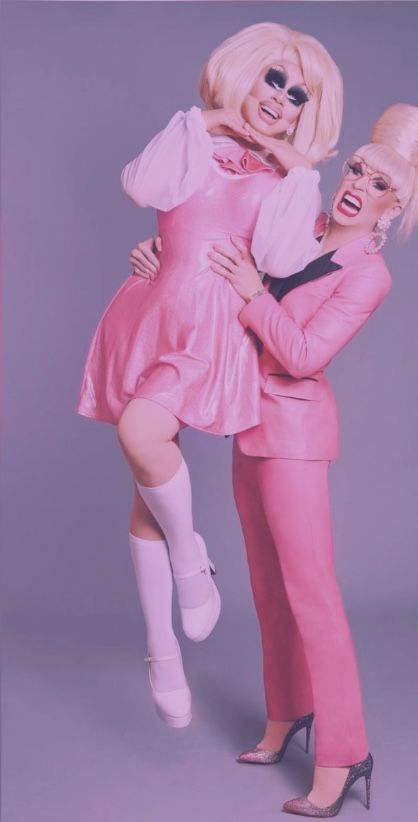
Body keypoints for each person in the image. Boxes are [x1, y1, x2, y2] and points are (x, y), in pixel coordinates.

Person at [131, 103, 418, 816]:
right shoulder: (296, 222)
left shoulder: (367, 275)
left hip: (295, 437)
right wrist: (160, 257)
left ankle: (345, 754)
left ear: (391, 206)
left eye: (376, 184)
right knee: (266, 588)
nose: (356, 185)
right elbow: (213, 256)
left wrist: (253, 292)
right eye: (355, 169)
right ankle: (286, 715)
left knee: (313, 597)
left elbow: (305, 357)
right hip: (245, 420)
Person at [77, 22, 343, 728]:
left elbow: (284, 261)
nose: (278, 100)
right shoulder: (194, 138)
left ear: (304, 113)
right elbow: (144, 185)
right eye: (272, 80)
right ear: (246, 75)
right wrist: (209, 119)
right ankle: (162, 651)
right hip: (151, 310)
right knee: (145, 484)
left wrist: (296, 167)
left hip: (214, 329)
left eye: (296, 95)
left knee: (141, 433)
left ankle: (193, 560)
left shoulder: (289, 181)